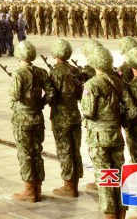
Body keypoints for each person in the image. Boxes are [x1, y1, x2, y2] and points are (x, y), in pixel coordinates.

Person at [81, 46, 125, 219]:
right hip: (115, 132)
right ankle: (122, 210)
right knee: (118, 173)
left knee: (105, 175)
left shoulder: (92, 84)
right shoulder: (117, 81)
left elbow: (88, 111)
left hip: (99, 136)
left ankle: (110, 213)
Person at [9, 40, 48, 204]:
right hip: (38, 117)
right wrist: (40, 103)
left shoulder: (19, 73)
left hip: (23, 119)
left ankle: (29, 190)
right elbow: (51, 92)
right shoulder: (42, 72)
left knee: (25, 154)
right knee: (37, 151)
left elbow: (15, 95)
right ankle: (37, 187)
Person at [47, 39, 82, 197]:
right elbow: (81, 93)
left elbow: (52, 96)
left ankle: (68, 186)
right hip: (75, 114)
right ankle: (74, 183)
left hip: (61, 117)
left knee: (64, 150)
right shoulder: (74, 70)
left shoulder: (55, 72)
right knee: (75, 149)